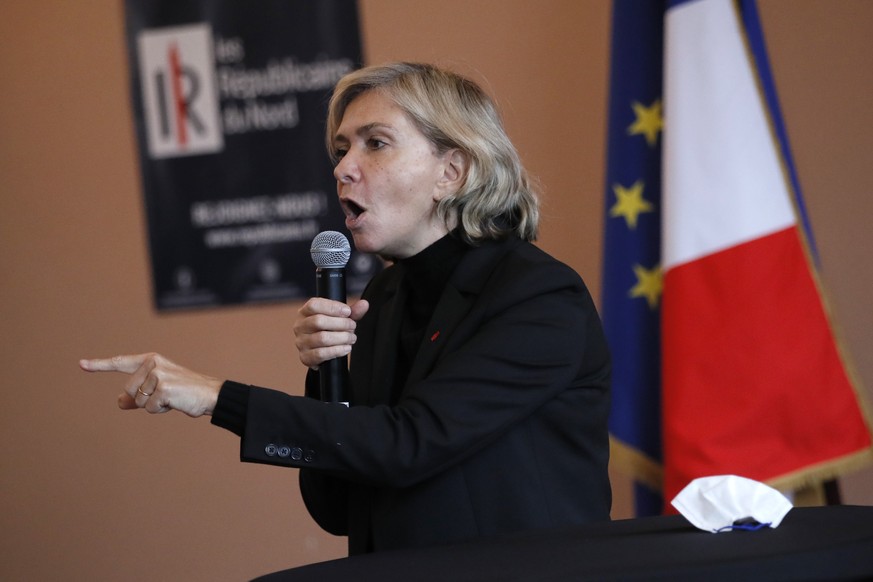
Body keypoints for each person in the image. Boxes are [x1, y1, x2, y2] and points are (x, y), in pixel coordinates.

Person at [80, 62, 612, 555]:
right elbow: (337, 508)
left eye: (375, 144)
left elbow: (409, 445)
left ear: (452, 172)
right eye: (341, 150)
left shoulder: (537, 295)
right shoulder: (378, 299)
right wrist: (324, 374)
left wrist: (219, 398)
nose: (344, 169)